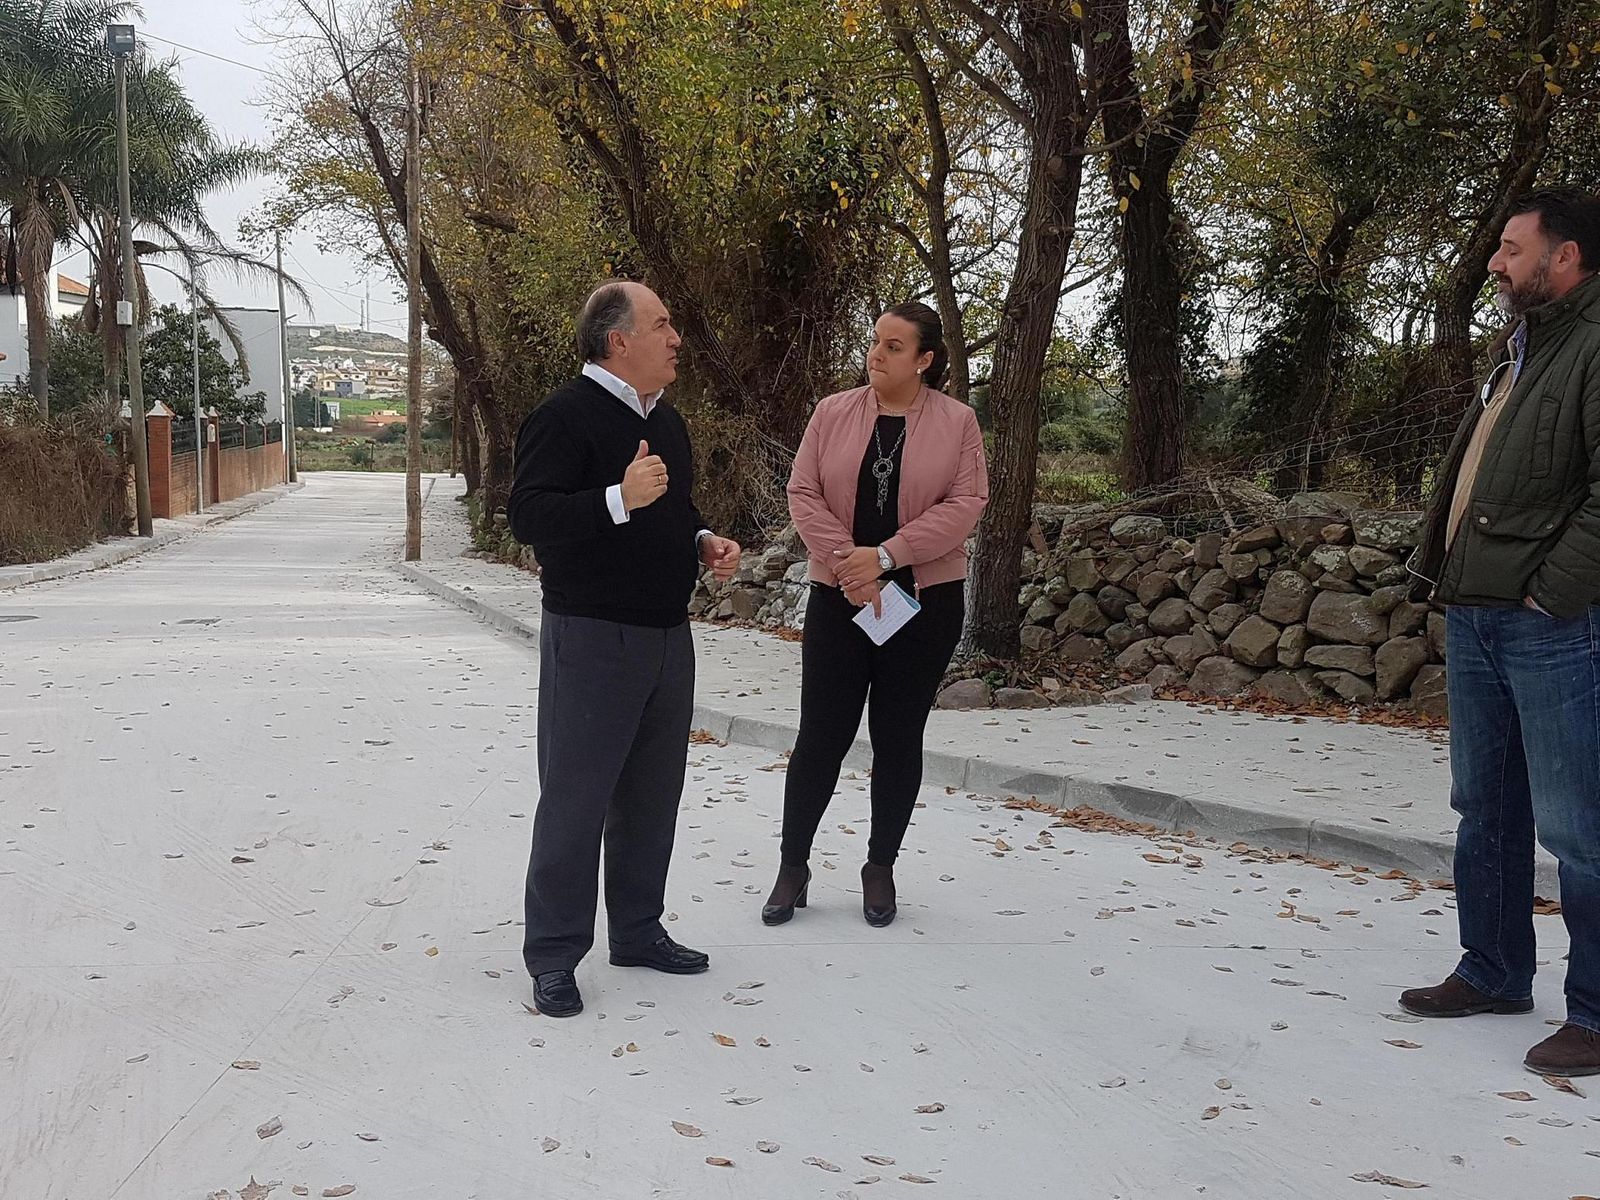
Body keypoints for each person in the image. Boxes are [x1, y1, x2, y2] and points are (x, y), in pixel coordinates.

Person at [1400, 188, 1600, 1076]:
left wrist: (1550, 595)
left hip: (1550, 624)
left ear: (1566, 258)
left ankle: (1594, 1013)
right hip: (1479, 612)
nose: (1495, 263)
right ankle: (1492, 971)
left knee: (1578, 827)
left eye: (1513, 249)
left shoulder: (1593, 344)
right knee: (1486, 808)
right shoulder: (1520, 350)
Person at [508, 280, 740, 1017]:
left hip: (669, 635)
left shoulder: (665, 423)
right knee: (576, 801)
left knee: (651, 796)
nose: (676, 338)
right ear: (618, 341)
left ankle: (637, 931)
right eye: (663, 324)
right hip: (591, 635)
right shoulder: (563, 415)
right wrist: (617, 497)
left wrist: (703, 540)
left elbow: (676, 508)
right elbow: (528, 514)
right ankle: (553, 956)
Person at [763, 301, 988, 928]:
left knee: (898, 737)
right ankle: (792, 865)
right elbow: (802, 492)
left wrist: (887, 555)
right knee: (822, 734)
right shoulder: (832, 413)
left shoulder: (958, 422)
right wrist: (849, 564)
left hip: (924, 600)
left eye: (894, 347)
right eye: (875, 342)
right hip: (840, 597)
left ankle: (879, 865)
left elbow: (967, 503)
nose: (877, 355)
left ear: (925, 360)